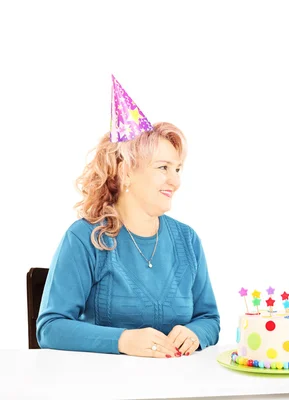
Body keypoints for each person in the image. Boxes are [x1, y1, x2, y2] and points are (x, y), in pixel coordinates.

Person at [37, 76, 220, 358]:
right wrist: (123, 341)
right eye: (163, 167)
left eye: (178, 169)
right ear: (126, 173)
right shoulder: (84, 238)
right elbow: (50, 328)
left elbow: (209, 319)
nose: (175, 181)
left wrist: (196, 333)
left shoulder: (188, 239)